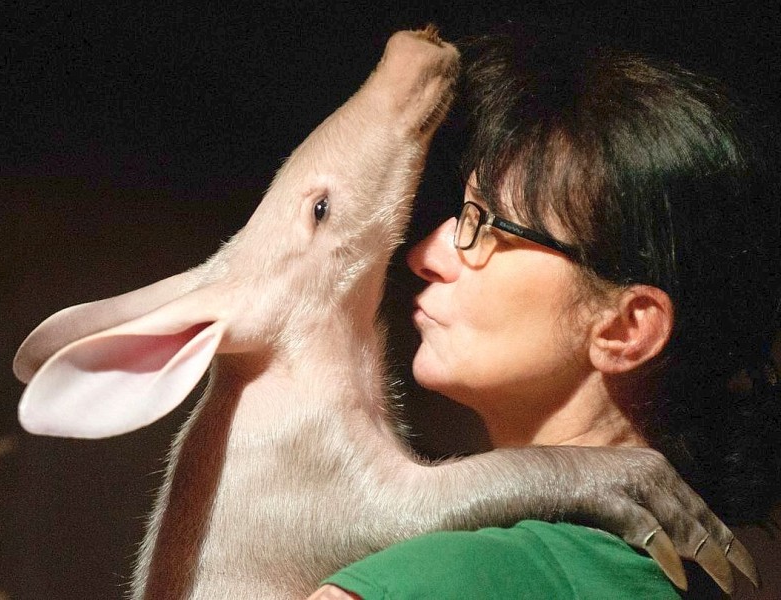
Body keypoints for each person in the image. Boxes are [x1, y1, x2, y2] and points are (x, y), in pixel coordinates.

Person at [309, 32, 780, 598]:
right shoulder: (679, 578)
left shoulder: (446, 580)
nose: (424, 256)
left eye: (483, 223)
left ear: (626, 327)